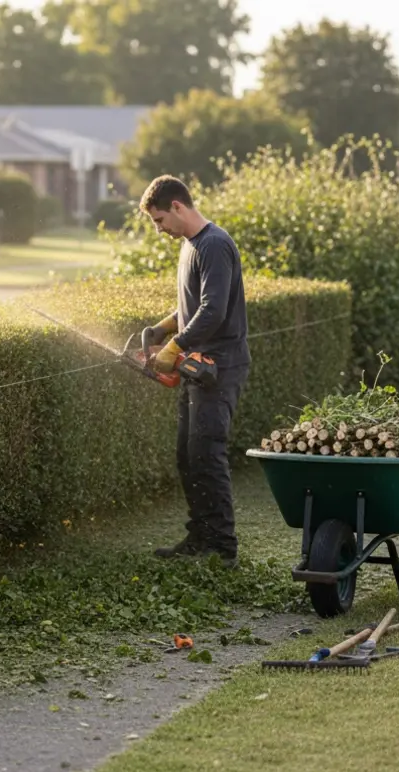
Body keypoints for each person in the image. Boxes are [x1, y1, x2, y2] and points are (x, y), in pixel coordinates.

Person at [138, 175, 250, 569]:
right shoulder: (191, 246)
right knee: (188, 455)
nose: (160, 229)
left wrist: (174, 347)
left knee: (208, 453)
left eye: (159, 220)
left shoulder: (215, 245)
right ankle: (200, 535)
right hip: (197, 366)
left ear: (178, 207)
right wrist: (164, 328)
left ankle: (223, 548)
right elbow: (192, 305)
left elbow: (213, 311)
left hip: (219, 366)